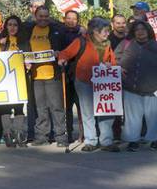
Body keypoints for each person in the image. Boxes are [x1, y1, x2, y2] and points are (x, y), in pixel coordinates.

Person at [58, 17, 119, 152]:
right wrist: (62, 59)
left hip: (103, 82)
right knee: (87, 112)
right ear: (95, 31)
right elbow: (66, 52)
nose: (107, 34)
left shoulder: (107, 43)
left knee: (106, 111)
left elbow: (112, 61)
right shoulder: (81, 41)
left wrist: (112, 66)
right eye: (105, 31)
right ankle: (91, 141)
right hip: (84, 80)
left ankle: (106, 141)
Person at [18, 5, 67, 147]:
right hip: (35, 76)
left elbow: (65, 49)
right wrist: (26, 60)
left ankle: (60, 136)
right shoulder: (29, 30)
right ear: (35, 16)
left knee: (57, 107)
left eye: (46, 16)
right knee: (40, 108)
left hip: (53, 74)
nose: (43, 19)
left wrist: (60, 54)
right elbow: (24, 47)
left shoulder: (56, 30)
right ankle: (42, 136)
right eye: (41, 16)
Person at [116, 20, 157, 151]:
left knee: (153, 117)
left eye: (143, 29)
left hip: (152, 88)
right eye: (137, 30)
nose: (140, 32)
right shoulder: (127, 44)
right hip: (131, 87)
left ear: (148, 31)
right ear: (134, 32)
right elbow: (115, 59)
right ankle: (132, 140)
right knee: (132, 117)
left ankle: (154, 140)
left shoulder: (155, 46)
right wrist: (117, 67)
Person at [0, 15, 28, 146]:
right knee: (5, 108)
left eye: (15, 25)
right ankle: (7, 133)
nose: (12, 27)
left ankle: (19, 133)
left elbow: (29, 56)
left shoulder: (24, 41)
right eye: (9, 24)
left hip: (20, 78)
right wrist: (0, 45)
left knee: (18, 107)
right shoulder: (1, 41)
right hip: (4, 79)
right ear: (6, 26)